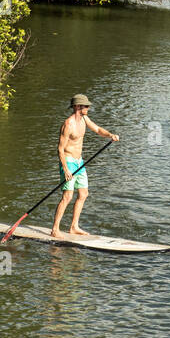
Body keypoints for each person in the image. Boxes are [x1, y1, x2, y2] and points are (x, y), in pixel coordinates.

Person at [52, 94, 119, 238]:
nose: (88, 108)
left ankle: (74, 227)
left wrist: (110, 135)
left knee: (83, 194)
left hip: (79, 162)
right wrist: (65, 168)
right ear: (77, 107)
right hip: (68, 162)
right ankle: (55, 229)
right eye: (85, 106)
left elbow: (98, 129)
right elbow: (60, 149)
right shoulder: (68, 124)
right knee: (67, 196)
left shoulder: (84, 119)